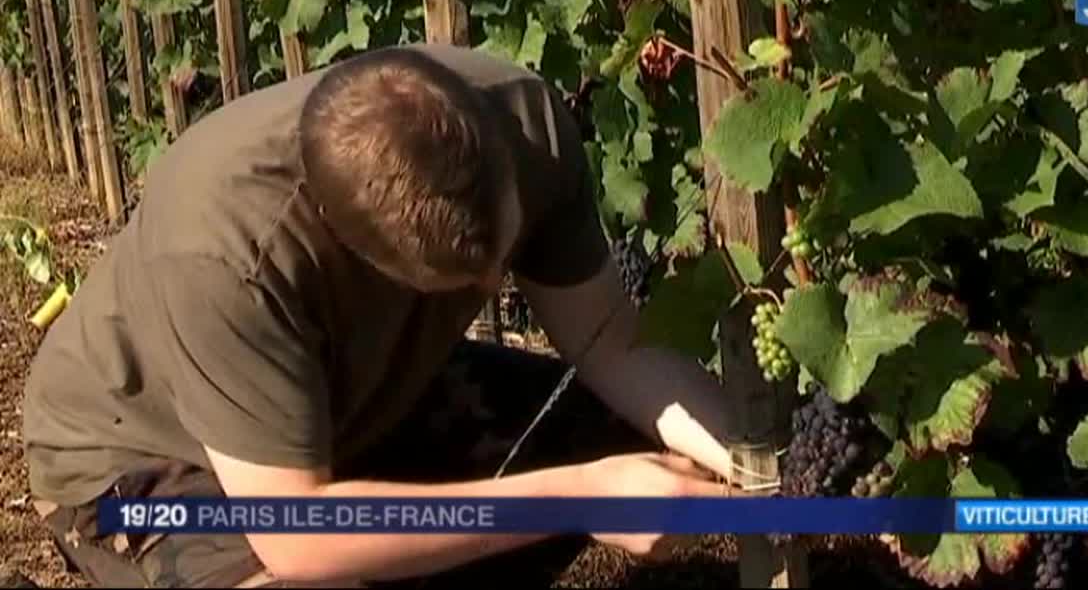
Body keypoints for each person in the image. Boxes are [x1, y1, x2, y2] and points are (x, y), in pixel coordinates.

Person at [22, 44, 736, 588]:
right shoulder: (226, 257)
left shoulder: (527, 123)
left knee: (598, 431)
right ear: (354, 248)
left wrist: (750, 455)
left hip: (340, 405)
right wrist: (582, 493)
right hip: (146, 458)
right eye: (459, 283)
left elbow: (608, 335)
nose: (494, 285)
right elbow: (296, 534)